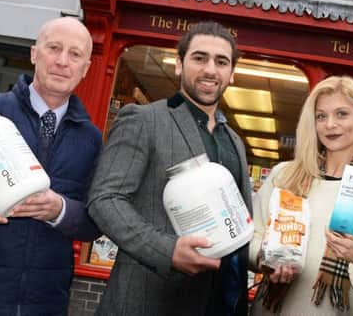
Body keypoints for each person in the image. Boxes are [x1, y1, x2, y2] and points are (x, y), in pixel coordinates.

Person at [87, 21, 253, 316]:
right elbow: (104, 200)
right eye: (199, 58)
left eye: (221, 62)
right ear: (179, 65)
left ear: (231, 74)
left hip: (218, 304)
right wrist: (168, 250)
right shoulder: (144, 120)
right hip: (147, 302)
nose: (210, 70)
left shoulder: (236, 143)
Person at [0, 17, 103, 315]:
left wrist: (61, 210)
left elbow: (97, 220)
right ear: (34, 53)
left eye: (75, 54)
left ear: (85, 68)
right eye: (54, 48)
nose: (62, 61)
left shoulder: (92, 138)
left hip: (46, 302)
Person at [250, 76, 353, 316]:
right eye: (321, 116)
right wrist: (265, 259)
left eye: (341, 114)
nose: (329, 124)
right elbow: (253, 237)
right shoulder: (285, 176)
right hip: (269, 308)